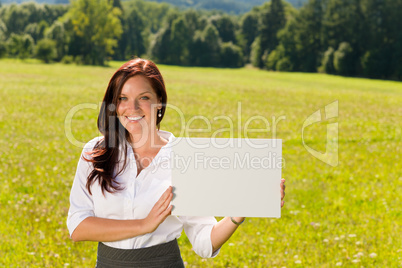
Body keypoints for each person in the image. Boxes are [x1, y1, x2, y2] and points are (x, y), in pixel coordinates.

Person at [67, 58, 286, 267]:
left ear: (159, 103)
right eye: (123, 98)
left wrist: (238, 213)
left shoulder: (183, 159)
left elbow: (204, 241)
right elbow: (77, 227)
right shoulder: (96, 152)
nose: (131, 108)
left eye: (143, 97)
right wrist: (144, 225)